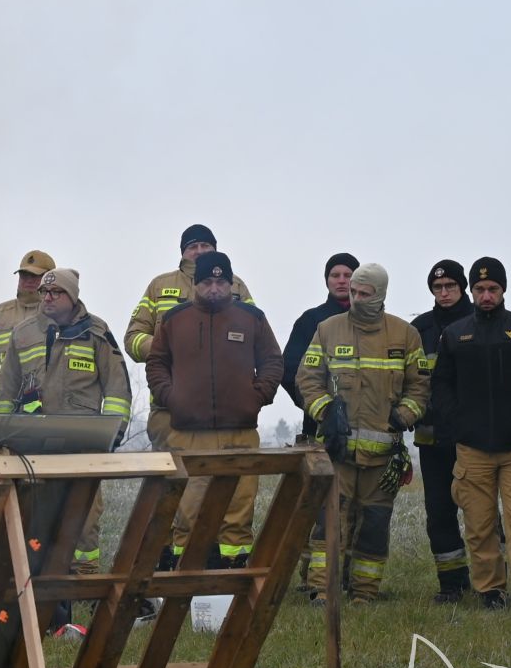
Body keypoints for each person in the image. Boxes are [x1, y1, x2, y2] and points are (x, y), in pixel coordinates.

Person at [0, 267, 134, 625]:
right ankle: (35, 595)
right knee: (37, 521)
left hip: (85, 449)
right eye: (45, 292)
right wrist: (0, 439)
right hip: (35, 448)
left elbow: (117, 389)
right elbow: (6, 392)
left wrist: (112, 435)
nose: (48, 297)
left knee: (84, 523)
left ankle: (83, 594)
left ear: (73, 297)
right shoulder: (21, 335)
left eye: (57, 293)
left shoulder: (97, 333)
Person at [296, 262, 426, 602]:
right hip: (337, 453)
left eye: (364, 294)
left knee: (373, 527)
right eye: (353, 292)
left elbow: (420, 386)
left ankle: (364, 593)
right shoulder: (327, 329)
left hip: (383, 458)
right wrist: (325, 410)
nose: (356, 299)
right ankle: (322, 591)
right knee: (329, 526)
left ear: (380, 294)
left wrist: (404, 415)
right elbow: (306, 378)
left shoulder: (405, 335)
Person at [144, 250, 281, 567]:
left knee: (237, 514)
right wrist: (170, 396)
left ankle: (232, 579)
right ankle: (187, 582)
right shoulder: (175, 319)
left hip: (241, 434)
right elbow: (156, 364)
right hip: (188, 435)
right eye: (207, 281)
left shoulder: (252, 318)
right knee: (188, 515)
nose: (215, 287)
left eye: (222, 281)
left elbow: (273, 361)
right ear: (196, 284)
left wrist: (256, 396)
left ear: (231, 284)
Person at [434, 258, 511, 611]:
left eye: (493, 289)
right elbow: (440, 384)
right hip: (472, 449)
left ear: (503, 291)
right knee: (479, 524)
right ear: (471, 292)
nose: (486, 295)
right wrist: (457, 422)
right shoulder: (454, 335)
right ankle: (490, 590)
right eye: (480, 289)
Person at [126, 224, 253, 445]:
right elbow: (133, 338)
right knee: (173, 476)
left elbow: (256, 335)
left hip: (227, 411)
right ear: (183, 252)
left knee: (225, 477)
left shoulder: (236, 286)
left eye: (206, 245)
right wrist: (164, 349)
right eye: (193, 246)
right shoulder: (159, 286)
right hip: (170, 409)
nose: (200, 250)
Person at [409, 260, 475, 602]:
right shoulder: (419, 329)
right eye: (438, 288)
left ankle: (492, 580)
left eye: (450, 286)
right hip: (432, 438)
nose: (444, 292)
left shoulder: (481, 322)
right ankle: (452, 584)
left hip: (473, 437)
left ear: (462, 286)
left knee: (480, 511)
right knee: (439, 513)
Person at [281, 253, 357, 439]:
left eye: (348, 275)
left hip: (371, 428)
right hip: (320, 428)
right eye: (335, 275)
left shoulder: (376, 323)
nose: (341, 281)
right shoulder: (310, 321)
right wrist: (320, 408)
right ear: (326, 280)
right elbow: (289, 372)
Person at [0, 249, 55, 364]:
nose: (29, 280)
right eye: (24, 275)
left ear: (51, 278)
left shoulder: (61, 314)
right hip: (2, 381)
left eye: (35, 275)